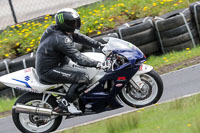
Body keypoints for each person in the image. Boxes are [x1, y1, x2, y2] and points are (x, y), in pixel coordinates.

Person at [35, 8, 106, 114]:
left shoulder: (56, 29)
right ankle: (66, 103)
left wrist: (99, 45)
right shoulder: (61, 39)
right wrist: (98, 64)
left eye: (76, 22)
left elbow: (79, 37)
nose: (75, 25)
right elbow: (78, 58)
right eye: (72, 23)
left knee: (86, 69)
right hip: (49, 70)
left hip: (58, 63)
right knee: (82, 77)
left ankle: (76, 96)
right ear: (64, 24)